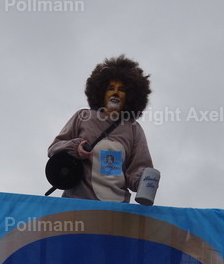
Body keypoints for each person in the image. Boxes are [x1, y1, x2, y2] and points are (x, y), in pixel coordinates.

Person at [48, 55, 153, 202]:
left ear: (130, 96)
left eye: (121, 90)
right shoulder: (83, 116)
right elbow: (54, 149)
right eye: (111, 88)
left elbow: (138, 169)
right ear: (102, 92)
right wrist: (75, 147)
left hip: (117, 212)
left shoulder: (134, 129)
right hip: (78, 205)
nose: (115, 93)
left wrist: (144, 180)